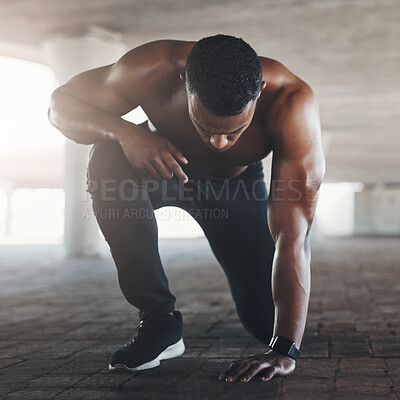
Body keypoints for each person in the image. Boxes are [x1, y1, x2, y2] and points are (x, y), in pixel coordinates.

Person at [49, 34, 325, 383]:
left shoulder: (291, 103)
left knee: (264, 321)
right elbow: (60, 105)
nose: (219, 143)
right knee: (106, 159)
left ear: (260, 91)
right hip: (159, 166)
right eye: (206, 128)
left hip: (234, 187)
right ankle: (159, 320)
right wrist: (123, 132)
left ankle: (269, 328)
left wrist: (285, 350)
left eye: (234, 131)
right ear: (184, 85)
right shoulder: (150, 69)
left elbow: (294, 234)